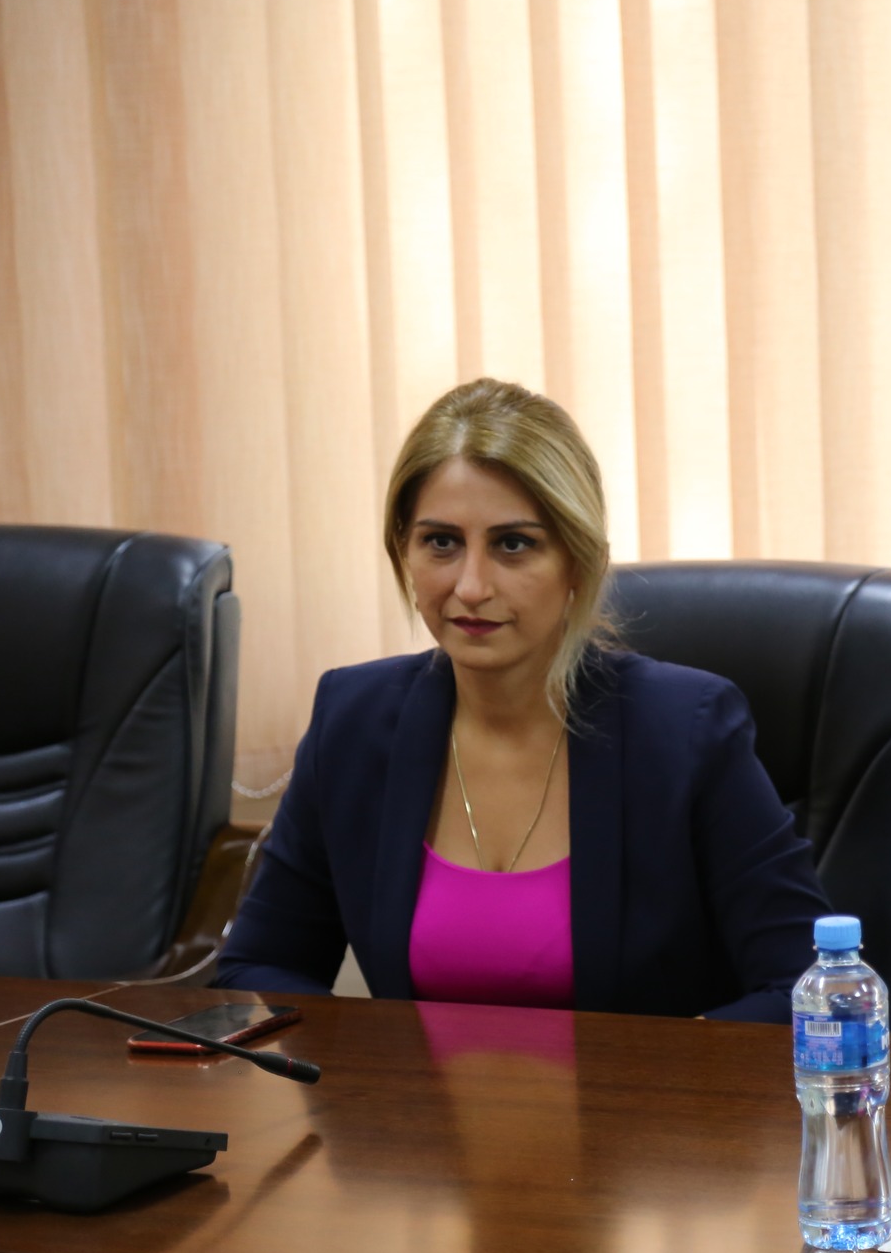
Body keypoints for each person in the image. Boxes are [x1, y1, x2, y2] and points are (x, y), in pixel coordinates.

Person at [215, 379, 832, 1020]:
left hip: (634, 1091)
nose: (471, 586)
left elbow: (812, 987)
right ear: (404, 550)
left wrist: (660, 1075)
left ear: (579, 562)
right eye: (441, 542)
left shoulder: (685, 730)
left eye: (513, 544)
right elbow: (259, 967)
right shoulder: (353, 718)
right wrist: (365, 1067)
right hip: (412, 1092)